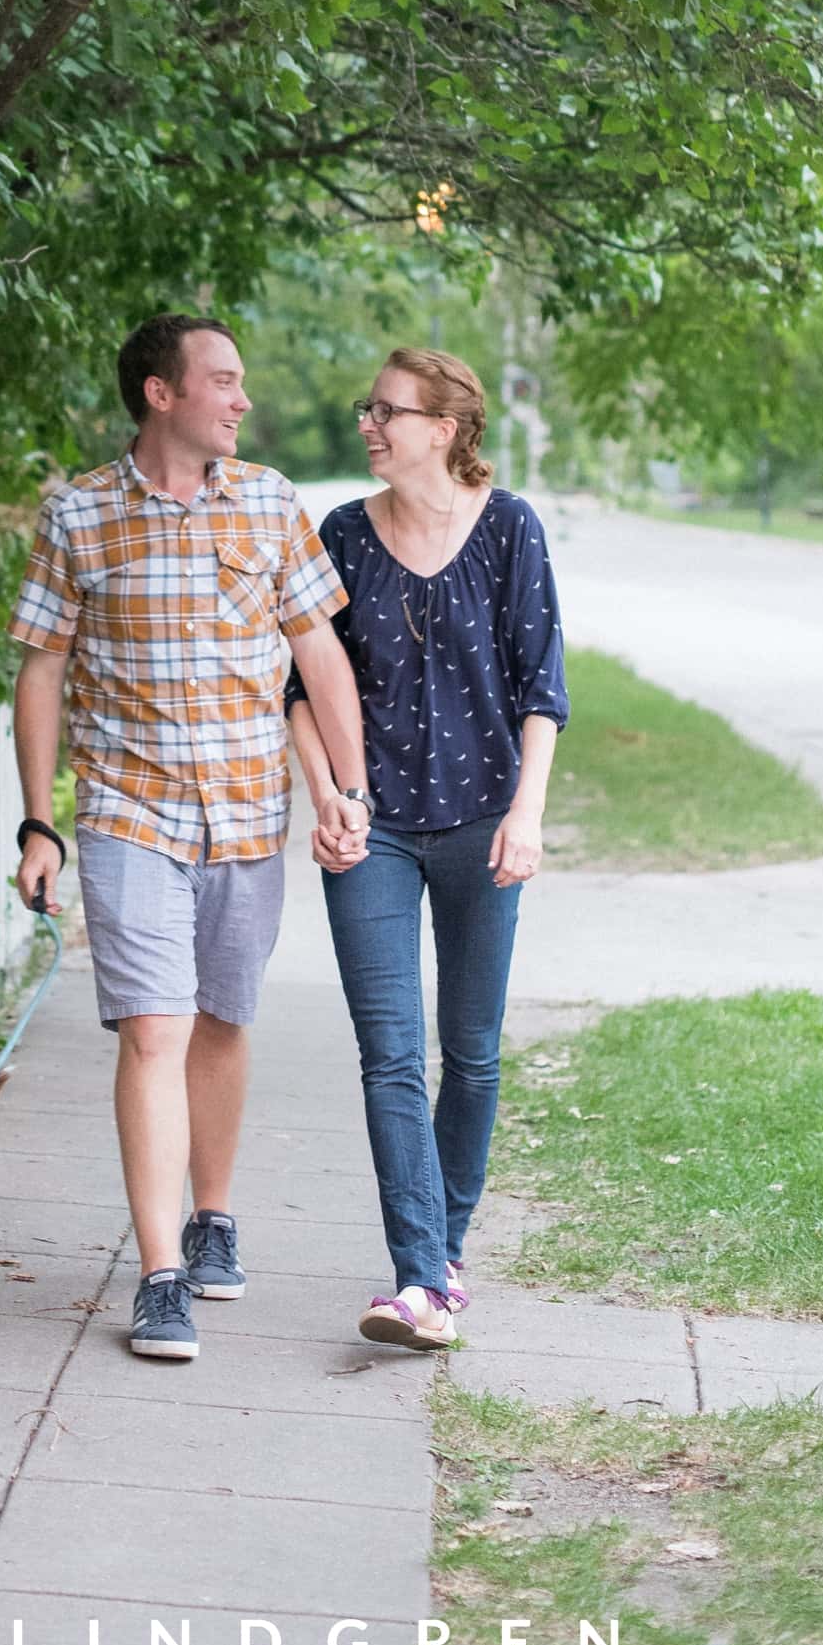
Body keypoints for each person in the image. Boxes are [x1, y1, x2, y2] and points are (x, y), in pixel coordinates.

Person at [8, 313, 374, 1363]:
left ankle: (213, 1214)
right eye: (221, 379)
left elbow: (318, 651)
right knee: (153, 1028)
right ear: (161, 393)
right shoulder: (78, 513)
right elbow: (38, 669)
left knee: (220, 1017)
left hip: (250, 806)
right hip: (129, 808)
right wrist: (40, 818)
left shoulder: (266, 501)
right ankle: (160, 1268)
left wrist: (344, 787)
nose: (241, 397)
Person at [287, 346, 566, 1351]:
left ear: (443, 428)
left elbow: (540, 688)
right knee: (390, 1056)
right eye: (368, 406)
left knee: (474, 1057)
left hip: (482, 824)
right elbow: (302, 692)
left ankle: (440, 1253)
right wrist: (326, 796)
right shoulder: (343, 537)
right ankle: (416, 1274)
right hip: (375, 830)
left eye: (388, 409)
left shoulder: (507, 528)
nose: (370, 421)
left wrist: (525, 814)